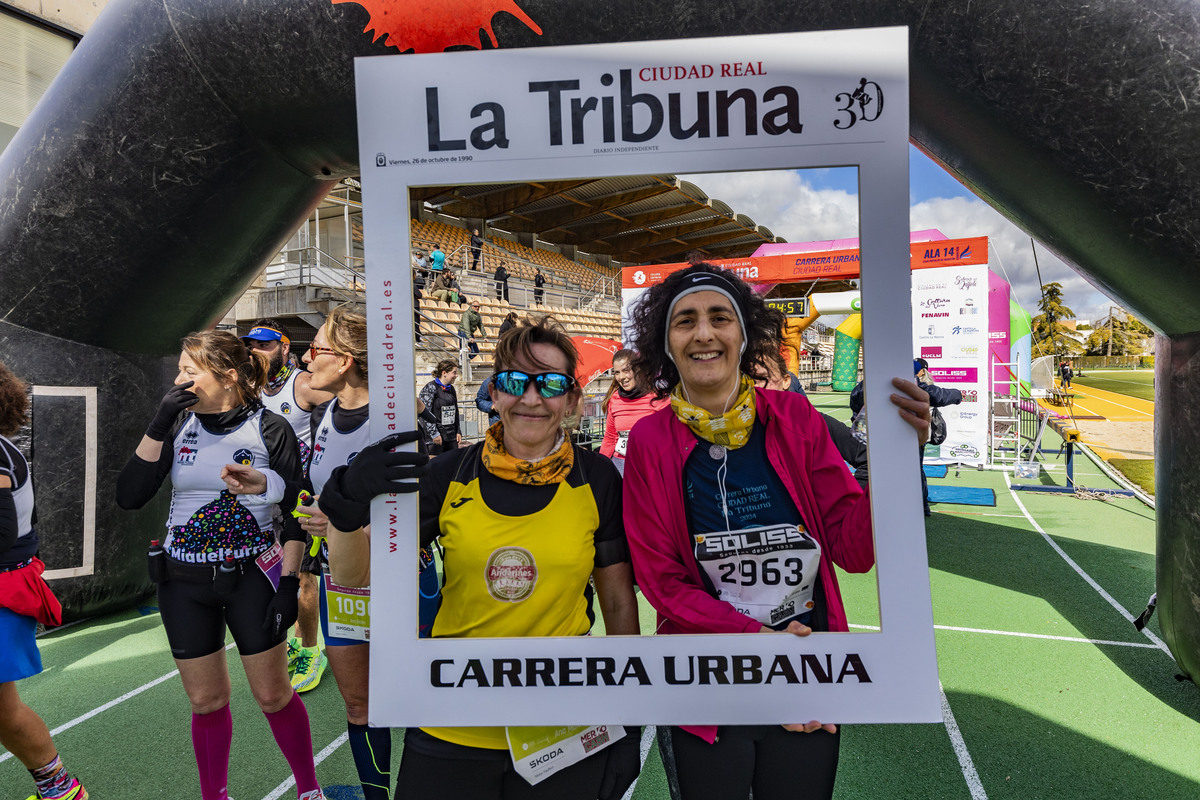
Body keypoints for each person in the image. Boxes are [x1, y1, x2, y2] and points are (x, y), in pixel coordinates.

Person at [622, 264, 931, 800]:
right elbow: (661, 581)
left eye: (720, 318)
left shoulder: (794, 415)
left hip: (806, 674)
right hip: (707, 678)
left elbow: (853, 550)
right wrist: (763, 649)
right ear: (665, 345)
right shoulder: (650, 439)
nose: (703, 334)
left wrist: (896, 457)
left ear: (743, 335)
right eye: (685, 321)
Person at [319, 316, 642, 799]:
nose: (532, 398)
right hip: (452, 720)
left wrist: (628, 719)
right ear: (493, 393)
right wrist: (344, 503)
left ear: (572, 399)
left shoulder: (597, 479)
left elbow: (617, 606)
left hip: (561, 726)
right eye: (515, 381)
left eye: (552, 383)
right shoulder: (448, 474)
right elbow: (356, 576)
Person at [115, 331, 324, 800]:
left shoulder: (271, 428)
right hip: (181, 580)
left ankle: (309, 790)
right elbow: (129, 495)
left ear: (228, 376)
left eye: (190, 371)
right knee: (206, 701)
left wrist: (289, 583)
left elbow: (297, 510)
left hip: (251, 577)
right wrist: (158, 421)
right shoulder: (177, 425)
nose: (179, 380)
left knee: (272, 696)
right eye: (179, 370)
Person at [224, 305, 401, 800]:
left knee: (416, 701)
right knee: (360, 706)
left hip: (396, 583)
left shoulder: (394, 417)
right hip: (340, 585)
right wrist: (271, 490)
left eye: (316, 348)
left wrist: (353, 522)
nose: (304, 357)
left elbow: (416, 506)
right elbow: (308, 492)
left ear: (345, 360)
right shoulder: (327, 413)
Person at [0, 360, 89, 800]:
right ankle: (61, 788)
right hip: (10, 581)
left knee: (4, 710)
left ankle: (61, 788)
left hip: (4, 588)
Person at [243, 319, 335, 692]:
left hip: (301, 496)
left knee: (302, 578)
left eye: (264, 345)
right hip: (264, 496)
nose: (256, 351)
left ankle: (311, 650)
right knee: (270, 576)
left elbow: (348, 411)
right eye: (251, 346)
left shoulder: (303, 384)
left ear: (283, 346)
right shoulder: (249, 387)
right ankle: (294, 639)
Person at [598, 349, 668, 476]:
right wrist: (600, 468)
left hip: (651, 465)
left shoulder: (658, 397)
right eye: (617, 372)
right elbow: (610, 438)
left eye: (626, 370)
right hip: (620, 466)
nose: (621, 377)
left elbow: (669, 437)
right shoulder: (614, 399)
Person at [419, 359, 461, 455]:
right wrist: (434, 434)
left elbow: (456, 411)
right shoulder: (430, 388)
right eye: (454, 373)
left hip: (451, 436)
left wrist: (458, 431)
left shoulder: (451, 389)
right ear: (444, 373)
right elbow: (425, 413)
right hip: (436, 438)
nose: (456, 375)